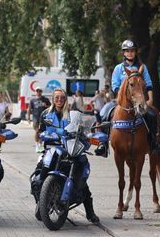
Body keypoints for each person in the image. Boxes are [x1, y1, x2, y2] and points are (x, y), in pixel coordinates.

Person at [35, 88, 100, 224]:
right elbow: (39, 132)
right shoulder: (46, 114)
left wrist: (89, 137)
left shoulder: (72, 115)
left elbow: (82, 130)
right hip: (52, 149)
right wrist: (42, 136)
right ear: (53, 99)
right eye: (57, 97)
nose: (59, 100)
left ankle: (90, 212)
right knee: (39, 175)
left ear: (66, 99)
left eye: (62, 98)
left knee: (83, 181)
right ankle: (40, 204)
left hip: (70, 149)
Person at [111, 39, 160, 153]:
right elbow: (115, 85)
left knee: (152, 115)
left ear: (135, 52)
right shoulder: (118, 68)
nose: (130, 53)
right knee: (104, 112)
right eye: (127, 51)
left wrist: (151, 99)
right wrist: (120, 95)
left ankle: (153, 143)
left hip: (139, 101)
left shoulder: (142, 67)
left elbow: (148, 84)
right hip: (121, 101)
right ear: (124, 53)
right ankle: (103, 143)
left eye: (132, 51)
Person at [28, 87, 51, 153]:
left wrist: (46, 105)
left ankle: (40, 144)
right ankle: (37, 144)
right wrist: (28, 118)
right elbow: (29, 109)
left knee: (41, 132)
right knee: (37, 131)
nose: (38, 92)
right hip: (35, 118)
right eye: (37, 91)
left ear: (41, 92)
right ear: (35, 92)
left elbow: (50, 107)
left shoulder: (45, 99)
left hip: (43, 118)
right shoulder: (32, 100)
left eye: (39, 91)